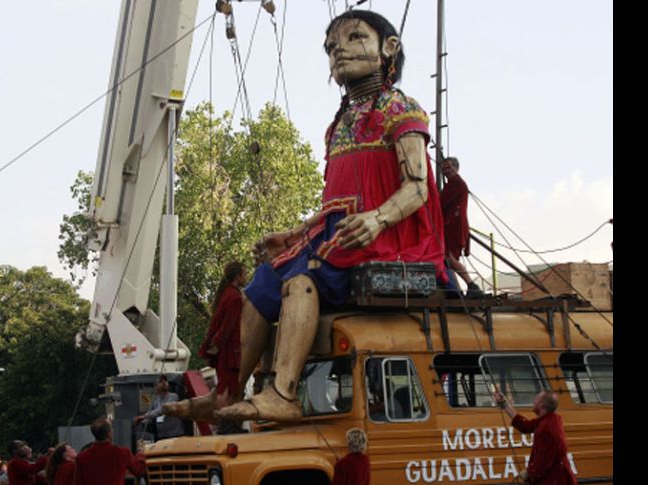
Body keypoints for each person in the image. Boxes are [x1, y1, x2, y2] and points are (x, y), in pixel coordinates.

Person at [207, 9, 447, 423]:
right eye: (332, 46)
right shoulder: (340, 124)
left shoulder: (401, 109)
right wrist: (297, 231)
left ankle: (282, 392)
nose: (339, 50)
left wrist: (377, 218)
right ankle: (226, 392)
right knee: (261, 284)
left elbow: (418, 188)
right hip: (335, 235)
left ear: (389, 47)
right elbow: (336, 199)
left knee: (300, 283)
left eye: (355, 38)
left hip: (385, 238)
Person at [164, 262, 248, 428]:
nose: (247, 276)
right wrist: (217, 344)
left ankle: (225, 421)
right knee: (228, 388)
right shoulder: (235, 297)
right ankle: (226, 422)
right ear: (237, 276)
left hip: (224, 351)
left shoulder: (225, 294)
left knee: (225, 386)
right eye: (244, 273)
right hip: (230, 351)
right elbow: (228, 326)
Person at [494, 389, 577, 484]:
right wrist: (505, 404)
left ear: (541, 405)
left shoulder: (548, 428)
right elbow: (525, 426)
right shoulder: (548, 420)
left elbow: (543, 461)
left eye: (536, 399)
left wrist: (527, 473)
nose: (533, 401)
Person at [440, 156, 482, 299]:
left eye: (449, 167)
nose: (447, 170)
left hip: (454, 224)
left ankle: (471, 285)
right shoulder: (453, 183)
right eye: (444, 168)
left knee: (449, 257)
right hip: (454, 223)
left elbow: (441, 203)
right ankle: (454, 289)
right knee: (448, 259)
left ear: (456, 168)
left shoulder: (456, 183)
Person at [74, 417, 146, 485]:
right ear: (109, 433)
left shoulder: (81, 458)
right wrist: (140, 453)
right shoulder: (122, 453)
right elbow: (139, 470)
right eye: (111, 428)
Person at [132, 375, 185, 440]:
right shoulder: (155, 400)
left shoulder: (173, 397)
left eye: (165, 381)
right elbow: (151, 413)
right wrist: (141, 422)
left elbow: (162, 410)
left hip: (175, 434)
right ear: (156, 386)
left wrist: (144, 416)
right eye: (161, 381)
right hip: (162, 435)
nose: (164, 383)